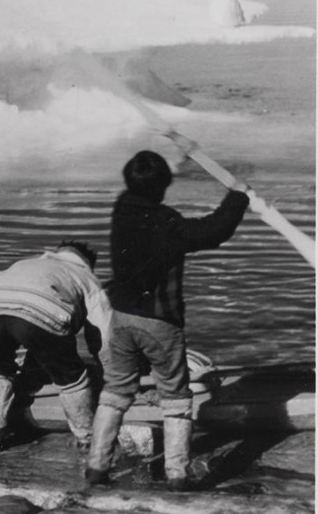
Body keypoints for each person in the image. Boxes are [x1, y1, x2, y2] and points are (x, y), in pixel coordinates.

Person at [86, 147, 249, 491]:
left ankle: (96, 468)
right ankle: (177, 475)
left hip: (121, 319)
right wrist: (238, 198)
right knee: (175, 397)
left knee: (115, 392)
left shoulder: (122, 210)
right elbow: (213, 231)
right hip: (160, 321)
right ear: (163, 187)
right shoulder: (166, 223)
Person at [0, 241, 109, 452]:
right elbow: (104, 329)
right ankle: (87, 440)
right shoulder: (85, 276)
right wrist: (113, 372)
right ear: (87, 263)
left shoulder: (24, 264)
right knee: (71, 378)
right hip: (43, 312)